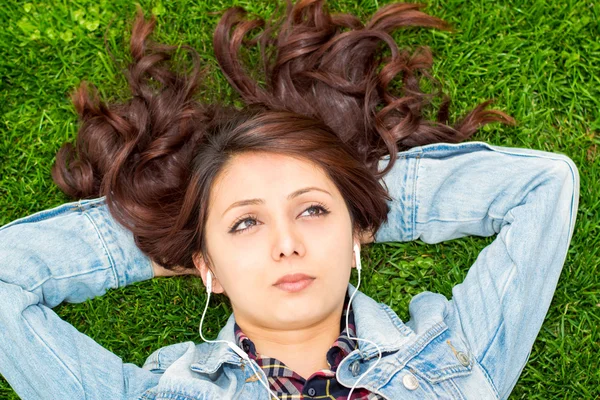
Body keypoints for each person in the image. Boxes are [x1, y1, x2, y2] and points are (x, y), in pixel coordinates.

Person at [0, 2, 580, 400]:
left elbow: (543, 186)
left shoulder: (456, 359)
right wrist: (170, 237)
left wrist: (359, 199)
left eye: (312, 211)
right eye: (246, 222)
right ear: (206, 269)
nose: (286, 243)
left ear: (355, 234)